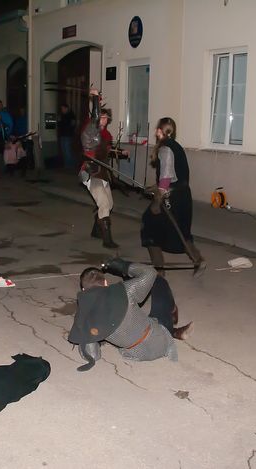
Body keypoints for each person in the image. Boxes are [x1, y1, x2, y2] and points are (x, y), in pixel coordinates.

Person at [68, 258, 193, 372]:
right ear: (105, 282)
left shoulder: (83, 317)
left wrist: (89, 340)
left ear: (83, 290)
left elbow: (94, 356)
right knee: (159, 282)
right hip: (160, 341)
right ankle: (172, 325)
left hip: (137, 354)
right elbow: (150, 273)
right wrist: (122, 265)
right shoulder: (124, 290)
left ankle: (173, 329)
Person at [141, 117, 206, 276]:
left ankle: (159, 272)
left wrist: (157, 201)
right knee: (181, 232)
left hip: (171, 198)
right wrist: (155, 187)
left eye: (157, 129)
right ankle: (198, 260)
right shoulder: (176, 146)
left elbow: (166, 177)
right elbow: (176, 175)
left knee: (149, 228)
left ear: (159, 131)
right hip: (183, 195)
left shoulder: (165, 149)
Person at [80, 88, 119, 249]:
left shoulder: (106, 135)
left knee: (109, 204)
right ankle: (107, 240)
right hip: (91, 171)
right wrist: (95, 98)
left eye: (106, 118)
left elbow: (106, 150)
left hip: (102, 173)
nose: (103, 119)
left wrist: (120, 152)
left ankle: (96, 230)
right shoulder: (91, 129)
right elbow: (95, 117)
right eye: (101, 116)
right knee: (103, 204)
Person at [58, 103, 76, 169]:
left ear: (67, 108)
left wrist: (63, 123)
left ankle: (70, 166)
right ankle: (67, 166)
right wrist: (59, 121)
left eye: (63, 108)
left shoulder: (71, 115)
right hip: (62, 135)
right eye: (61, 109)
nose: (62, 110)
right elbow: (59, 125)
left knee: (67, 151)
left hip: (68, 135)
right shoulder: (61, 115)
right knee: (64, 151)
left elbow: (72, 125)